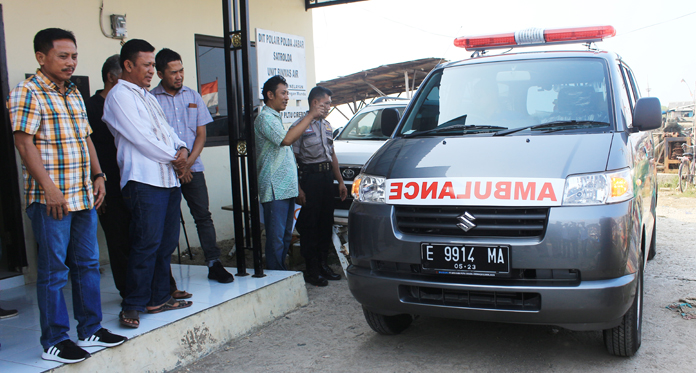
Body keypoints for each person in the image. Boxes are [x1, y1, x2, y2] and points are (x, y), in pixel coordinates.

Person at [8, 28, 126, 364]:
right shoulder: (27, 92)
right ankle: (55, 340)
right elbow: (23, 143)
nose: (71, 62)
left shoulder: (74, 93)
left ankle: (90, 330)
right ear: (41, 57)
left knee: (88, 265)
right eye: (63, 56)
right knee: (54, 271)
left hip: (83, 196)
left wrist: (99, 174)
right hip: (51, 201)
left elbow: (85, 137)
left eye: (73, 56)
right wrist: (49, 188)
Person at [103, 39, 192, 329]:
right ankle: (133, 304)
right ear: (128, 66)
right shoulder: (119, 96)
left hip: (167, 180)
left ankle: (159, 297)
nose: (152, 70)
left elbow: (168, 133)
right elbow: (141, 138)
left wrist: (181, 150)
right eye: (146, 65)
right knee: (145, 243)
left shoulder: (147, 96)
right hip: (143, 181)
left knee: (165, 243)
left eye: (153, 65)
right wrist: (175, 158)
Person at [151, 48, 234, 283]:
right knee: (167, 220)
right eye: (173, 72)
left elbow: (201, 135)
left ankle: (214, 263)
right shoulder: (152, 99)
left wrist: (187, 165)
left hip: (193, 168)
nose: (179, 76)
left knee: (203, 216)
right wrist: (178, 167)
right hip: (166, 171)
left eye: (181, 70)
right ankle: (164, 271)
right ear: (160, 73)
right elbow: (154, 137)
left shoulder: (193, 96)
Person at [254, 75, 326, 273]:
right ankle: (275, 276)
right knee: (276, 237)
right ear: (270, 95)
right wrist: (310, 116)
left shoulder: (275, 117)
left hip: (286, 188)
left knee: (286, 235)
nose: (286, 97)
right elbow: (286, 141)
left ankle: (280, 273)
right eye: (283, 93)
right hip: (274, 188)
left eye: (288, 93)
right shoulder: (265, 118)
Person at [290, 86, 347, 286]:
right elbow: (292, 160)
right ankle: (311, 270)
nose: (329, 107)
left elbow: (332, 155)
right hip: (309, 179)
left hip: (325, 179)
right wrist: (298, 187)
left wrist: (339, 181)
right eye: (326, 103)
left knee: (325, 224)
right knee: (310, 226)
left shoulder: (328, 125)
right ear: (315, 103)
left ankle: (323, 265)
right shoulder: (300, 126)